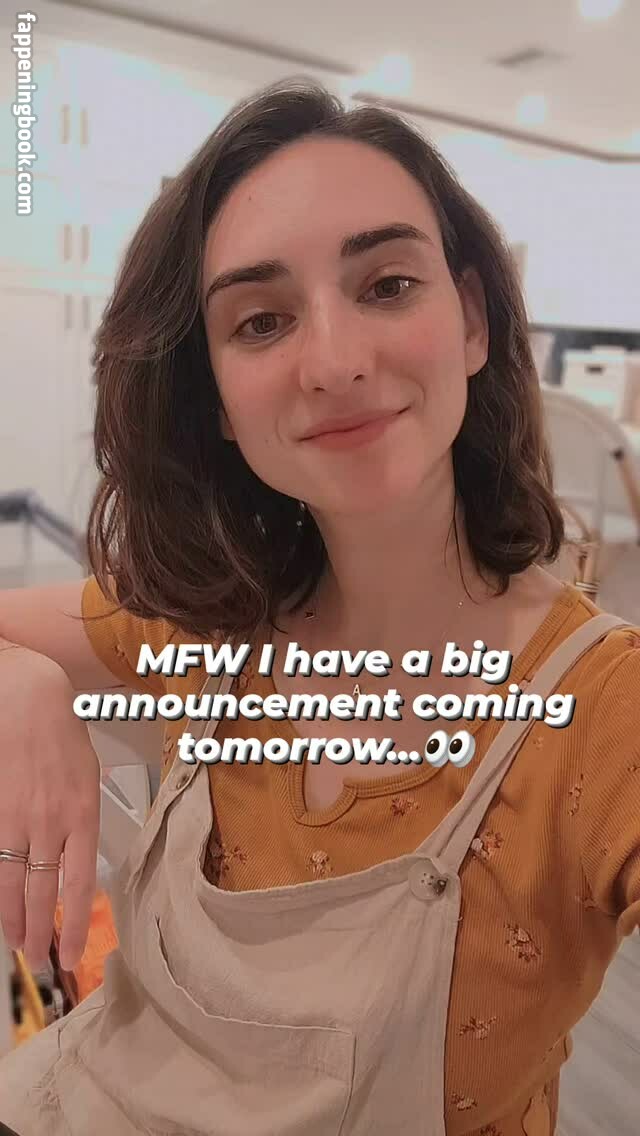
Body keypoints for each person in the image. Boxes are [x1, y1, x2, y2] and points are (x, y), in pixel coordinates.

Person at [0, 78, 638, 1136]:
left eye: (387, 284)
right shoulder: (211, 618)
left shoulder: (602, 716)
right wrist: (19, 682)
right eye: (261, 320)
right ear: (215, 397)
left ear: (472, 321)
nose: (337, 362)